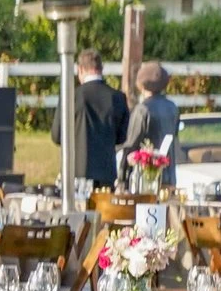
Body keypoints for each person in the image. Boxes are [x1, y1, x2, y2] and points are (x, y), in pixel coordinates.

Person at [62, 49, 129, 192]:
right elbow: (122, 137)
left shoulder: (72, 96)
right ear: (101, 69)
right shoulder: (118, 97)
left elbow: (57, 135)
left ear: (80, 69)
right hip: (107, 172)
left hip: (77, 171)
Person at [122, 60, 181, 186]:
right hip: (169, 174)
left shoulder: (142, 109)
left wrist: (122, 176)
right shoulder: (173, 108)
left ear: (141, 85)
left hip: (146, 175)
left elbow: (132, 143)